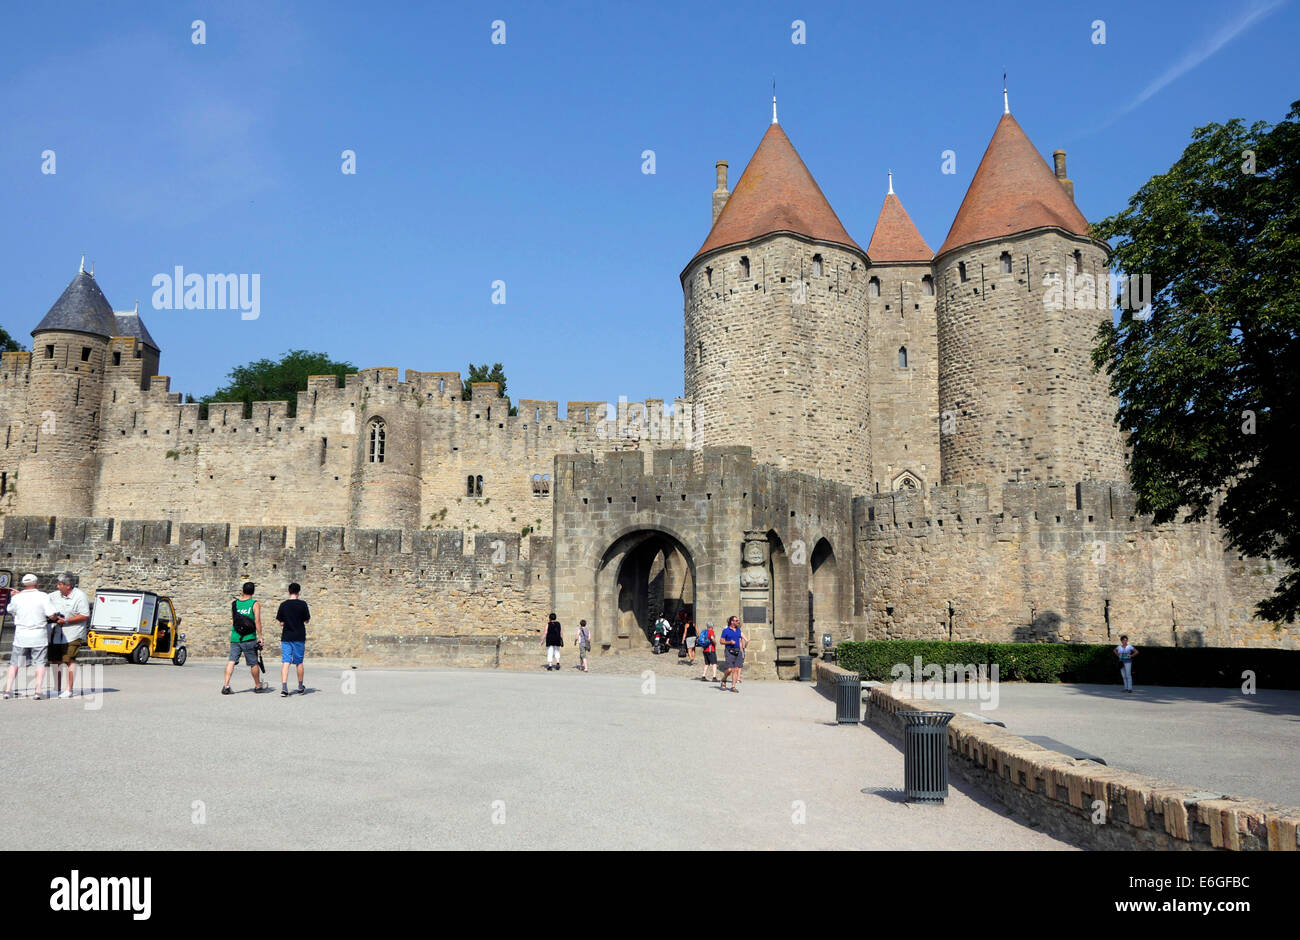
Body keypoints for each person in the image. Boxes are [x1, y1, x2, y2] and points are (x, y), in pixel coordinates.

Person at [3, 574, 56, 700]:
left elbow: (10, 609)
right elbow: (51, 614)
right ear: (36, 583)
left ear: (23, 584)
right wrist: (55, 618)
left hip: (21, 635)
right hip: (38, 634)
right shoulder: (43, 596)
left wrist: (16, 596)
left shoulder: (17, 598)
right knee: (40, 663)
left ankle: (8, 689)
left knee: (14, 663)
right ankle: (38, 691)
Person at [48, 573, 90, 699]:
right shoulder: (55, 595)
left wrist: (66, 620)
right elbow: (41, 600)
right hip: (56, 633)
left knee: (68, 660)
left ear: (68, 586)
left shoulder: (80, 596)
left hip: (73, 633)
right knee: (55, 660)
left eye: (60, 584)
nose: (57, 586)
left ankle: (69, 689)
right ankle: (57, 688)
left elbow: (84, 615)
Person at [223, 582, 268, 694]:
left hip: (235, 637)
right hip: (249, 637)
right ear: (253, 592)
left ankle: (226, 685)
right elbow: (257, 621)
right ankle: (258, 686)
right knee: (253, 663)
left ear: (242, 591)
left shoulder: (235, 604)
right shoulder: (254, 604)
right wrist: (260, 636)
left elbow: (234, 620)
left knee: (231, 661)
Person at [275, 583, 311, 697]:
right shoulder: (303, 604)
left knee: (286, 661)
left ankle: (284, 688)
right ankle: (300, 687)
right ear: (299, 592)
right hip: (299, 636)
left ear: (288, 591)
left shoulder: (283, 605)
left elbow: (281, 623)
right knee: (299, 662)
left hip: (286, 636)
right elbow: (306, 620)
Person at [719, 615, 745, 692]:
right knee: (730, 669)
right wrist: (729, 642)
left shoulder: (738, 630)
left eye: (738, 620)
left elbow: (740, 641)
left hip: (738, 651)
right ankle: (724, 679)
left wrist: (742, 651)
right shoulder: (726, 630)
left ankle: (733, 686)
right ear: (732, 622)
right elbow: (721, 641)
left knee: (736, 669)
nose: (738, 622)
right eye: (736, 621)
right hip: (729, 650)